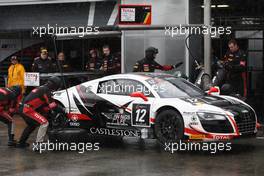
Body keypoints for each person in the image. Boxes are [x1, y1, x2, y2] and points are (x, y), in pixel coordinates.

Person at [17, 76, 62, 148]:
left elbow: (42, 104)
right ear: (54, 85)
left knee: (31, 126)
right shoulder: (47, 91)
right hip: (27, 109)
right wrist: (64, 110)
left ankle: (21, 143)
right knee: (44, 123)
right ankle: (38, 144)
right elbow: (53, 106)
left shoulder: (42, 87)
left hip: (22, 107)